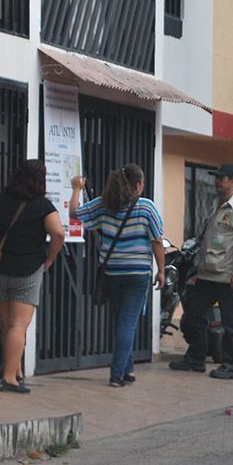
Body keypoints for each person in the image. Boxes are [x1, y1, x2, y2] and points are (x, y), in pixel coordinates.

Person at [0, 159, 65, 394]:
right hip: (28, 270)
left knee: (7, 324)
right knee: (19, 325)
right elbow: (58, 234)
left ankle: (16, 370)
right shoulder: (42, 206)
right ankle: (9, 378)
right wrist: (50, 258)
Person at [69, 164, 164, 387]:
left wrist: (76, 189)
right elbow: (157, 240)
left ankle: (128, 368)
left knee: (121, 321)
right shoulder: (146, 207)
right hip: (137, 273)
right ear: (139, 184)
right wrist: (161, 269)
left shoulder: (105, 204)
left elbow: (75, 213)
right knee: (128, 322)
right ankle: (117, 373)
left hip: (112, 271)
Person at [169, 163, 233, 380]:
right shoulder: (215, 206)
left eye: (222, 178)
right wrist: (198, 270)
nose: (218, 181)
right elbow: (206, 242)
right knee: (191, 318)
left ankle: (230, 365)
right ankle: (196, 358)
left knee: (231, 323)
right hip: (207, 275)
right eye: (217, 178)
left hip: (227, 276)